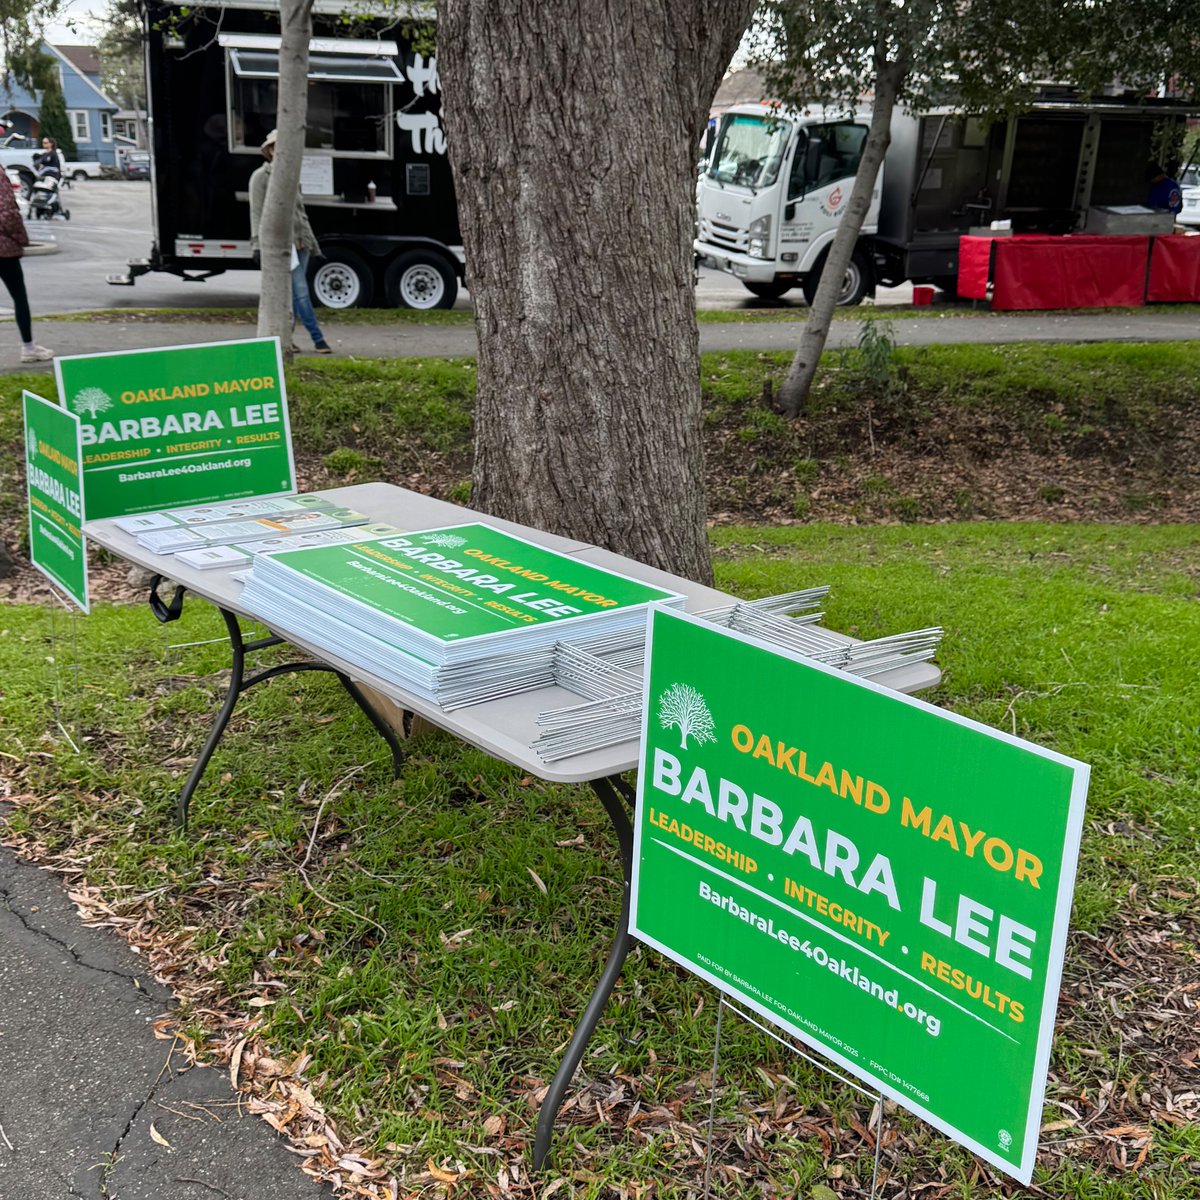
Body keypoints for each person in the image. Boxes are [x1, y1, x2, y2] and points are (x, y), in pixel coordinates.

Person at [248, 128, 332, 354]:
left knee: (294, 295)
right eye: (277, 147)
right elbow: (256, 213)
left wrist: (312, 243)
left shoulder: (292, 176)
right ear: (271, 151)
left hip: (301, 245)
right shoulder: (260, 178)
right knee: (301, 292)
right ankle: (318, 339)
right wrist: (257, 244)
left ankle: (287, 338)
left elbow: (301, 214)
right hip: (279, 247)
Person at [0, 175, 53, 363]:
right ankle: (28, 347)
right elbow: (7, 213)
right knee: (19, 298)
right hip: (4, 249)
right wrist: (21, 238)